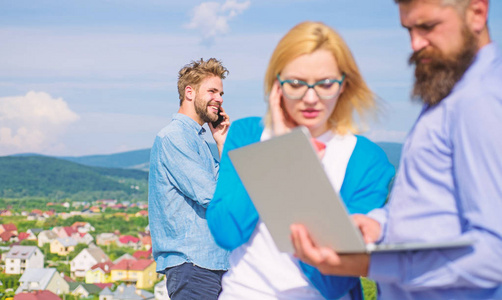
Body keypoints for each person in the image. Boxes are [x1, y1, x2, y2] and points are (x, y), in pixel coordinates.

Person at [291, 0, 502, 299]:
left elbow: (495, 251)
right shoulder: (452, 90)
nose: (416, 44)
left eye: (428, 27)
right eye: (409, 29)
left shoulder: (481, 101)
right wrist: (380, 224)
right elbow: (435, 203)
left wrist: (372, 262)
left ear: (477, 13)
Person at [206, 21, 395, 299]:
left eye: (326, 84)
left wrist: (296, 170)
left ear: (344, 85)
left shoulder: (367, 160)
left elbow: (336, 281)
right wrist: (277, 150)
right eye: (295, 84)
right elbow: (226, 232)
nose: (310, 98)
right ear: (276, 84)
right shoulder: (247, 135)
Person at [148, 58, 231, 300]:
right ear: (190, 92)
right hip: (193, 265)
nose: (220, 99)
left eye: (221, 93)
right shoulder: (174, 137)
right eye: (212, 91)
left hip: (212, 263)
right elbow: (214, 196)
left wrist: (222, 143)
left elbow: (222, 186)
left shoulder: (200, 141)